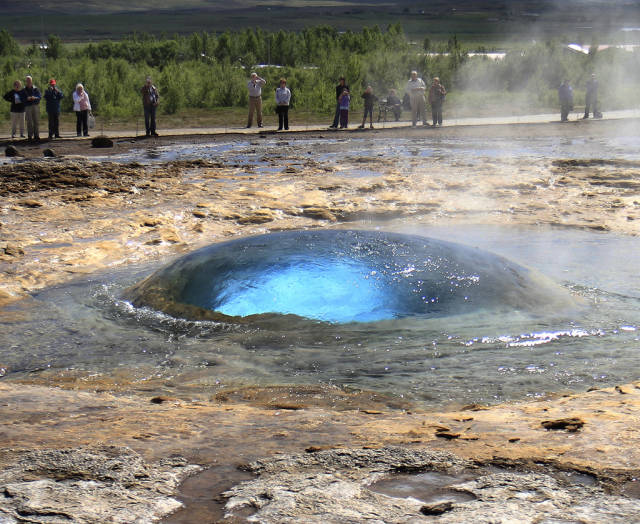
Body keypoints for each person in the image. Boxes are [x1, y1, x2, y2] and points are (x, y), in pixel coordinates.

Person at [22, 75, 41, 142]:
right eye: (27, 80)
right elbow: (22, 98)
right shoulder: (24, 90)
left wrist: (34, 98)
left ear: (31, 81)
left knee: (36, 121)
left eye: (29, 80)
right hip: (28, 107)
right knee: (29, 122)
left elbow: (39, 97)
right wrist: (27, 99)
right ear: (26, 81)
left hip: (35, 106)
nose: (28, 82)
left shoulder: (36, 88)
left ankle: (37, 135)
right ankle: (30, 136)